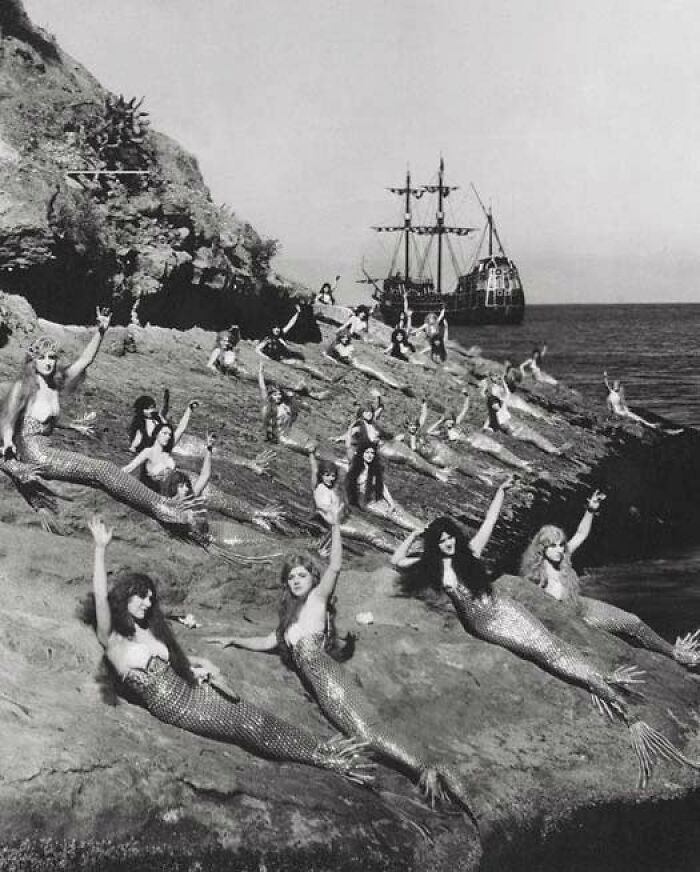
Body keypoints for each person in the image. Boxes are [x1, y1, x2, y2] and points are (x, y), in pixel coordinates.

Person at [391, 482, 700, 788]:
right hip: (484, 626)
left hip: (504, 609)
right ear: (436, 543)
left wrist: (501, 492)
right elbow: (396, 561)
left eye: (450, 538)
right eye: (442, 540)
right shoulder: (431, 565)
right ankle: (606, 687)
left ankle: (617, 700)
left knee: (550, 647)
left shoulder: (470, 550)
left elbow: (490, 520)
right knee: (538, 654)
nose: (448, 544)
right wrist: (416, 535)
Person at [206, 513, 471, 811]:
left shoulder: (318, 600)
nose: (295, 581)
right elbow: (269, 640)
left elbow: (334, 566)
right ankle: (424, 771)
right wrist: (231, 639)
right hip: (323, 690)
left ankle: (428, 767)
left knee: (369, 732)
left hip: (332, 680)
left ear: (312, 579)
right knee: (361, 736)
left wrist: (334, 525)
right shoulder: (291, 614)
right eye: (291, 577)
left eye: (301, 575)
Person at [86, 516, 371, 782]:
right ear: (126, 596)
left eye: (150, 599)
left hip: (195, 688)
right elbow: (100, 596)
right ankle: (330, 761)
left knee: (255, 715)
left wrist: (203, 666)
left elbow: (174, 659)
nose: (147, 604)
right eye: (141, 597)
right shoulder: (112, 638)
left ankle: (327, 749)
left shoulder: (147, 630)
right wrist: (100, 549)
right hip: (178, 708)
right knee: (249, 728)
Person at [0, 311, 203, 538]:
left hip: (46, 449)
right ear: (33, 360)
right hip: (36, 454)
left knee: (105, 470)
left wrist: (101, 331)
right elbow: (8, 419)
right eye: (43, 357)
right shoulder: (24, 387)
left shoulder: (56, 382)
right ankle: (165, 509)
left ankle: (162, 505)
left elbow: (85, 360)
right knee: (103, 469)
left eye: (52, 357)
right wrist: (8, 443)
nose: (48, 362)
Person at [519, 491, 700, 668]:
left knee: (633, 622)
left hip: (582, 606)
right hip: (569, 622)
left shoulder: (564, 557)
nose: (559, 550)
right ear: (542, 548)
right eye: (553, 546)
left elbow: (580, 534)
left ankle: (673, 652)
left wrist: (590, 510)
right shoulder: (534, 576)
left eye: (561, 545)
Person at [309, 448, 396, 552]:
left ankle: (406, 547)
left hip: (346, 517)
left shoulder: (332, 486)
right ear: (321, 475)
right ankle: (400, 551)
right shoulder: (318, 488)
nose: (330, 479)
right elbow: (314, 470)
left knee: (375, 530)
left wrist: (311, 454)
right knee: (371, 535)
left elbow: (315, 469)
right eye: (327, 475)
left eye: (333, 476)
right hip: (337, 524)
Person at [398, 401, 501, 486]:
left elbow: (423, 416)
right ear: (406, 427)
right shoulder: (406, 436)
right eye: (411, 426)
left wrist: (424, 405)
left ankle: (483, 474)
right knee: (457, 465)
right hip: (434, 457)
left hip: (439, 449)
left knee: (460, 461)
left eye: (414, 425)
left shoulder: (419, 431)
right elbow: (411, 448)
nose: (413, 427)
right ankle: (482, 477)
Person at [426, 392, 533, 473]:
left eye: (450, 421)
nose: (450, 423)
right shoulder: (443, 432)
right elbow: (428, 432)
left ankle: (520, 462)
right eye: (447, 422)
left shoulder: (457, 424)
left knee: (499, 449)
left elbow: (465, 409)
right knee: (497, 451)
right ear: (444, 423)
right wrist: (439, 421)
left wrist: (467, 397)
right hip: (472, 444)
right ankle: (520, 464)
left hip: (476, 438)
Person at [345, 441, 424, 531]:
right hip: (368, 503)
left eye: (372, 453)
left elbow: (382, 487)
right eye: (367, 452)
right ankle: (420, 530)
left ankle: (423, 525)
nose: (370, 455)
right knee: (392, 515)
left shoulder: (372, 468)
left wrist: (391, 503)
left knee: (398, 509)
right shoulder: (354, 469)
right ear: (361, 453)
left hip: (377, 497)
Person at [482, 376, 570, 457]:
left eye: (496, 403)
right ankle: (553, 450)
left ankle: (554, 450)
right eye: (494, 404)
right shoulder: (494, 413)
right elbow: (489, 424)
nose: (496, 406)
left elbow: (507, 394)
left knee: (535, 436)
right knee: (534, 437)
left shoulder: (499, 407)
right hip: (514, 430)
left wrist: (503, 383)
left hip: (516, 426)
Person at [324, 329, 414, 395]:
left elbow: (349, 353)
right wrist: (334, 361)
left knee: (379, 369)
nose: (345, 339)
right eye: (343, 337)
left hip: (358, 359)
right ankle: (396, 385)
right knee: (376, 372)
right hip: (355, 363)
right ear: (340, 337)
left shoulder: (346, 345)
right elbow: (328, 354)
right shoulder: (337, 346)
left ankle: (398, 383)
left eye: (347, 338)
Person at [256, 305, 327, 381]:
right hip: (283, 360)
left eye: (278, 328)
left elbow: (290, 324)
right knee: (306, 367)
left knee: (307, 365)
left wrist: (297, 313)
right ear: (272, 330)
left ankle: (324, 377)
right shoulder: (269, 339)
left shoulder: (280, 335)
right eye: (275, 328)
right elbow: (257, 349)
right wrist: (267, 358)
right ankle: (325, 378)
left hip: (288, 357)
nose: (277, 329)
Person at [259, 363, 317, 455]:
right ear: (270, 396)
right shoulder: (268, 405)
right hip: (281, 437)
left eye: (278, 394)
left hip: (288, 430)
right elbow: (262, 388)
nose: (278, 396)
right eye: (275, 395)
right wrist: (260, 373)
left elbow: (289, 395)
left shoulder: (284, 403)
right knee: (309, 450)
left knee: (313, 444)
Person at [602, 372, 681, 433]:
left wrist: (605, 376)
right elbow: (607, 384)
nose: (619, 387)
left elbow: (607, 384)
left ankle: (652, 425)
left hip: (621, 411)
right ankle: (652, 426)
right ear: (618, 387)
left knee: (637, 417)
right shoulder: (616, 394)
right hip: (620, 412)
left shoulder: (613, 393)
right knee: (637, 418)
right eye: (618, 385)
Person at [128, 392, 195, 454]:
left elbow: (163, 413)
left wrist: (166, 402)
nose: (151, 410)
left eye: (152, 408)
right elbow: (138, 437)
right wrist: (133, 447)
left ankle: (190, 408)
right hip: (153, 447)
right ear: (141, 410)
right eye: (148, 409)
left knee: (180, 430)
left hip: (162, 444)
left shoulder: (155, 416)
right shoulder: (139, 422)